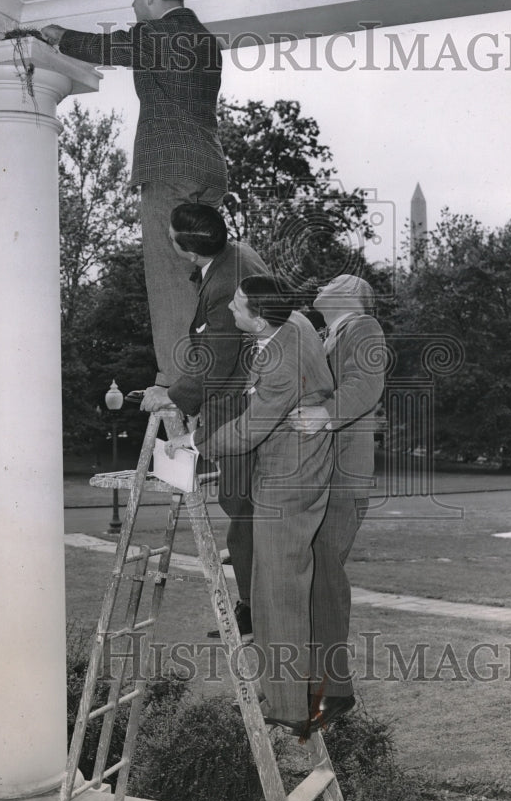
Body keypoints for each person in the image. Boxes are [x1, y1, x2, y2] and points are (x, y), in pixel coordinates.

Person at [166, 276, 351, 737]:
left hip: (287, 480)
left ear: (260, 315)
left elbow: (250, 429)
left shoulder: (280, 360)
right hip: (297, 470)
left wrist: (195, 442)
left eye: (239, 303)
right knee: (282, 587)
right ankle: (311, 689)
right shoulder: (293, 324)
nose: (229, 306)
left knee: (276, 593)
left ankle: (290, 707)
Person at [39, 0, 228, 388]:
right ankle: (214, 366)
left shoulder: (154, 32)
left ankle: (180, 381)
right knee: (202, 274)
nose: (132, 6)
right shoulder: (206, 40)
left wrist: (60, 36)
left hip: (169, 168)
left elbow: (114, 48)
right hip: (210, 168)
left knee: (168, 277)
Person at [141, 203, 269, 640]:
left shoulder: (225, 281)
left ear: (187, 250)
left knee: (243, 508)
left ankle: (254, 610)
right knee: (246, 508)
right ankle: (256, 601)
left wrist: (173, 393)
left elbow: (218, 356)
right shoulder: (235, 256)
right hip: (245, 399)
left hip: (236, 407)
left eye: (172, 234)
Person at [290, 273, 386, 710]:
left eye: (330, 282)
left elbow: (365, 387)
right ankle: (314, 681)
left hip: (343, 477)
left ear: (350, 295)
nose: (320, 285)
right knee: (314, 576)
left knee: (326, 573)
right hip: (318, 476)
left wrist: (324, 415)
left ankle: (335, 689)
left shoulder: (363, 327)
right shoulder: (326, 334)